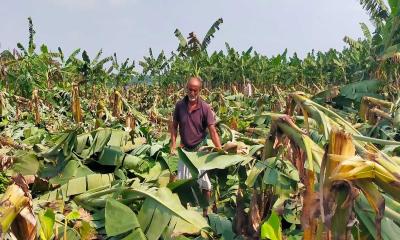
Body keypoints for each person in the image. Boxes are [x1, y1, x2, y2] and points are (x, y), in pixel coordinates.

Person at [170, 76, 222, 216]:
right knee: (182, 184)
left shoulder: (205, 108)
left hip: (200, 150)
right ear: (186, 88)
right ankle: (184, 214)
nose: (192, 93)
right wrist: (173, 145)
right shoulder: (180, 106)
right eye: (190, 90)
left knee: (205, 185)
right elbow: (174, 127)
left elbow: (212, 130)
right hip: (185, 151)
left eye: (195, 90)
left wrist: (220, 149)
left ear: (200, 90)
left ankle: (205, 213)